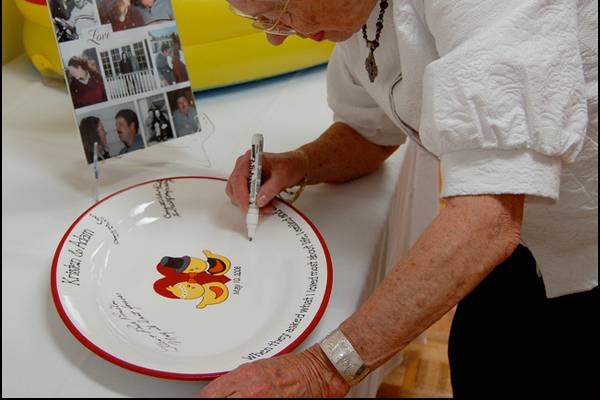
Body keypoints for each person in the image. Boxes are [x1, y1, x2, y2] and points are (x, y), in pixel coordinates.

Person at [200, 0, 598, 398]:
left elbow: (488, 216)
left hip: (584, 243)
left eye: (279, 9)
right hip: (530, 237)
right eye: (260, 19)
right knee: (480, 359)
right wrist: (301, 164)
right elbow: (371, 132)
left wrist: (323, 369)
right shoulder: (356, 15)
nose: (274, 36)